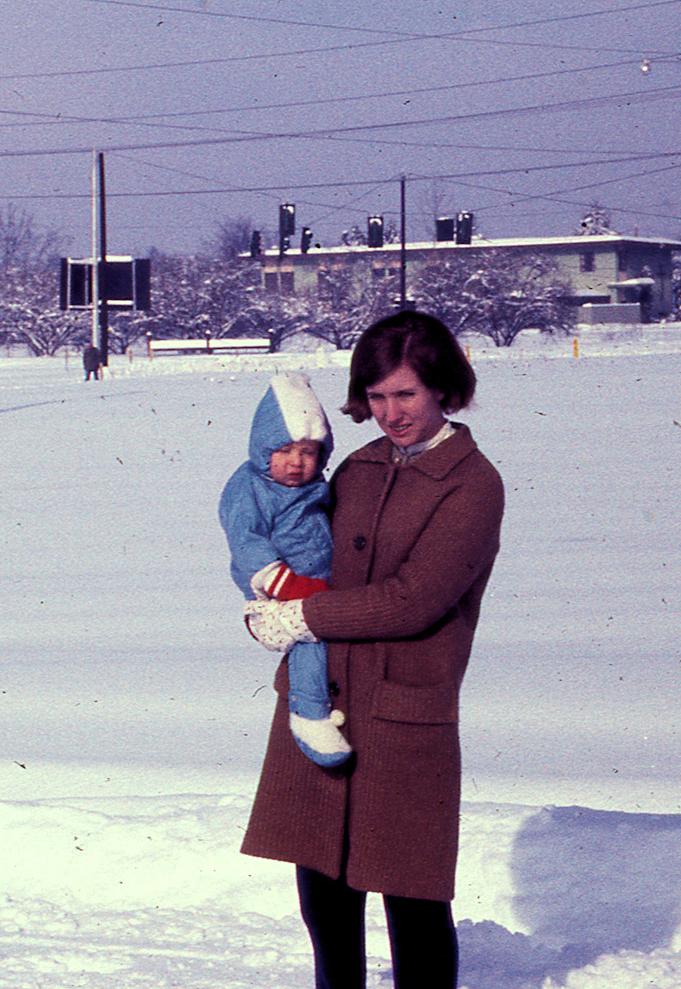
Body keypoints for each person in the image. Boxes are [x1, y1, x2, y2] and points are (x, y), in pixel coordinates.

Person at [241, 311, 504, 989]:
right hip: (322, 701)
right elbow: (297, 547)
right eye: (379, 396)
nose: (392, 413)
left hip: (403, 711)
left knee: (413, 898)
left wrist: (300, 616)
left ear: (443, 386)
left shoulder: (472, 483)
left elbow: (413, 599)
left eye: (407, 394)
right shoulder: (356, 468)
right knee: (323, 890)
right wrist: (262, 594)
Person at [218, 372, 351, 768]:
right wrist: (286, 582)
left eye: (309, 452)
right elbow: (246, 542)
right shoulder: (248, 487)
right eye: (285, 451)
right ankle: (310, 716)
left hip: (316, 585)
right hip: (274, 596)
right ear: (263, 450)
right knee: (310, 641)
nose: (297, 463)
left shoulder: (312, 487)